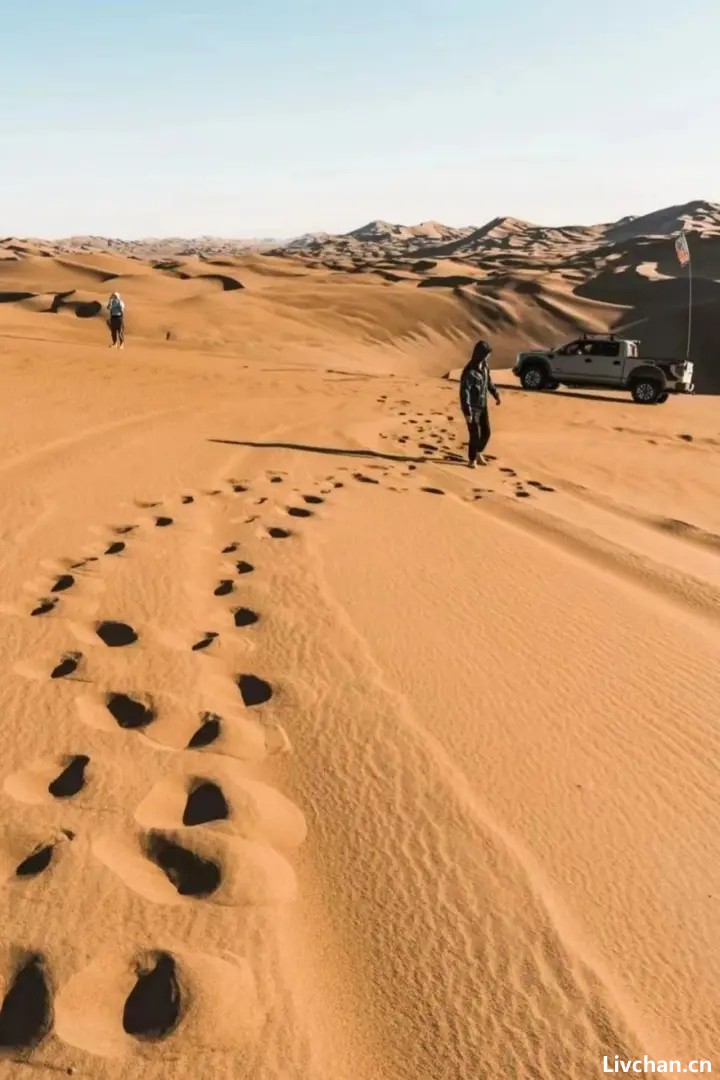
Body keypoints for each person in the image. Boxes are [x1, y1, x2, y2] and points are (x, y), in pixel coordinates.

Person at [459, 339, 501, 467]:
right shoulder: (469, 371)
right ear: (480, 354)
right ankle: (472, 460)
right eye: (486, 354)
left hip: (483, 406)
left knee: (486, 433)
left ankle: (478, 452)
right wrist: (467, 412)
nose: (488, 357)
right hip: (472, 408)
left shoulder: (485, 367)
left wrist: (496, 394)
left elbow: (488, 383)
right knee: (474, 434)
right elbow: (464, 392)